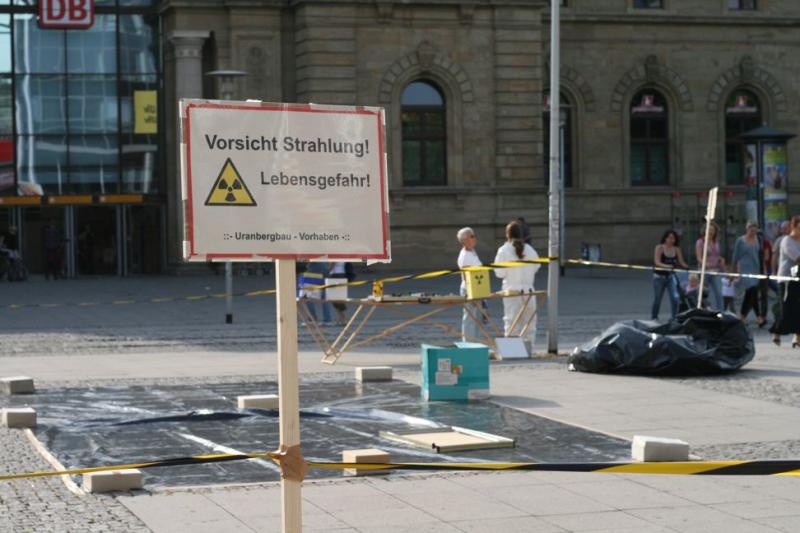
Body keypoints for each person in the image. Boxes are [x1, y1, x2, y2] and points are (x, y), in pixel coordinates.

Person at [494, 220, 540, 350]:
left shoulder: (503, 250)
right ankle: (529, 349)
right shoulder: (530, 249)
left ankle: (512, 351)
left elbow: (499, 273)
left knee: (511, 321)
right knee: (530, 322)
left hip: (512, 291)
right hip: (529, 290)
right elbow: (537, 266)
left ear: (507, 235)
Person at [731, 221, 768, 327]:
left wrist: (764, 269)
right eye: (751, 229)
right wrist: (732, 272)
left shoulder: (758, 239)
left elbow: (761, 255)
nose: (753, 231)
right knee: (752, 290)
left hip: (755, 269)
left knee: (752, 294)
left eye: (755, 229)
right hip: (745, 270)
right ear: (747, 229)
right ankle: (753, 317)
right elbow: (735, 257)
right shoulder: (740, 241)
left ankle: (747, 317)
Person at [771, 215, 800, 347]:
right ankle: (777, 332)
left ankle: (797, 337)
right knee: (786, 309)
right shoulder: (786, 241)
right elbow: (797, 258)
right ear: (795, 226)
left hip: (797, 278)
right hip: (786, 280)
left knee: (798, 308)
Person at [652, 229, 688, 320]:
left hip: (671, 276)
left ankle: (674, 317)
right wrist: (667, 266)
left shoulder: (676, 249)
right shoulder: (659, 247)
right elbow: (657, 262)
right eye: (669, 238)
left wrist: (687, 267)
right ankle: (654, 317)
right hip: (659, 277)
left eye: (673, 238)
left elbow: (681, 262)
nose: (671, 240)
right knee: (658, 299)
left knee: (675, 297)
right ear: (665, 238)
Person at [456, 227, 483, 342]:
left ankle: (477, 343)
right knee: (470, 318)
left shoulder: (471, 251)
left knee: (477, 319)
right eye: (472, 236)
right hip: (469, 289)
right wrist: (472, 294)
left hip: (477, 288)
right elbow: (467, 276)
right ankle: (468, 343)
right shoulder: (465, 255)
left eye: (474, 235)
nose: (475, 238)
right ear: (465, 240)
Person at [694, 221, 725, 310]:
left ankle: (721, 313)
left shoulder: (716, 242)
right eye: (709, 230)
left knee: (719, 293)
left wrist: (721, 260)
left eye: (713, 230)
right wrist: (705, 264)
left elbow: (716, 255)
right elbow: (698, 257)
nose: (711, 232)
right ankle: (701, 311)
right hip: (704, 272)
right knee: (703, 294)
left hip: (715, 271)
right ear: (705, 230)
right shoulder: (700, 242)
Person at [327, 262, 354, 326]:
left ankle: (343, 319)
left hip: (334, 276)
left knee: (334, 299)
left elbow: (332, 265)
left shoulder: (334, 253)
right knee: (339, 298)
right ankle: (342, 319)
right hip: (342, 275)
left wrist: (325, 272)